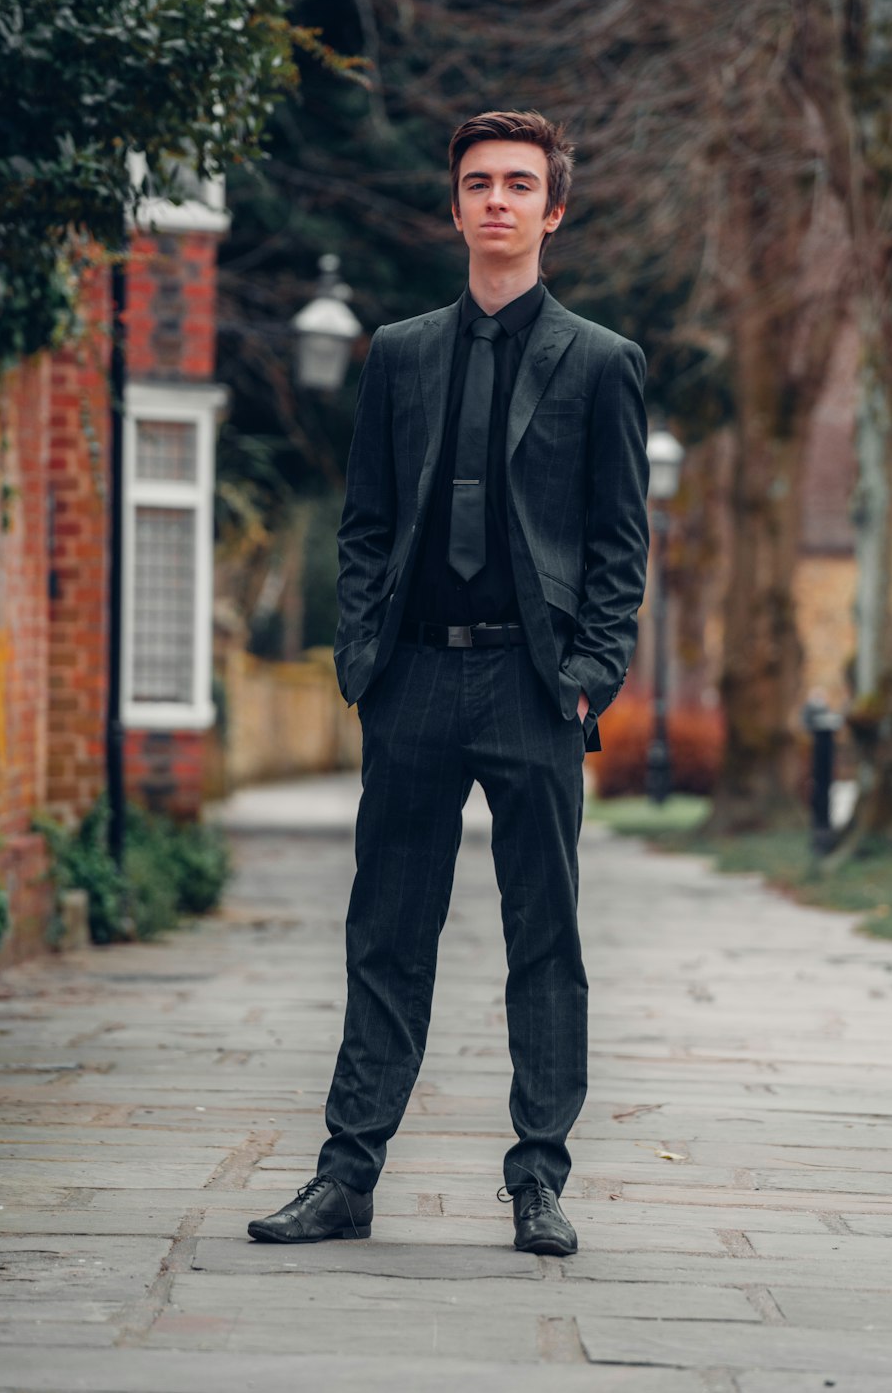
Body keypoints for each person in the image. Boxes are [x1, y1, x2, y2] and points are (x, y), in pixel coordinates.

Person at [249, 110, 649, 1257]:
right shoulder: (402, 352)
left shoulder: (603, 363)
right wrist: (362, 658)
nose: (497, 201)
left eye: (520, 184)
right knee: (385, 932)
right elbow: (366, 523)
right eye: (479, 182)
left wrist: (587, 679)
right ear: (456, 204)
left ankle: (538, 1181)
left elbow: (621, 546)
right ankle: (347, 1175)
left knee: (545, 939)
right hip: (414, 680)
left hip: (535, 689)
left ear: (553, 210)